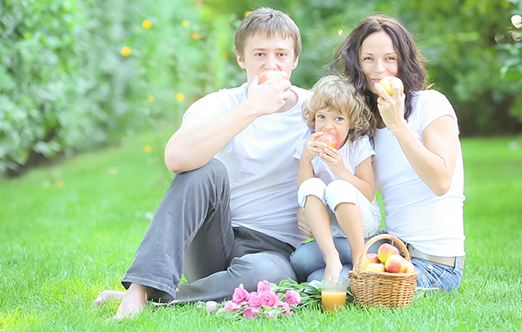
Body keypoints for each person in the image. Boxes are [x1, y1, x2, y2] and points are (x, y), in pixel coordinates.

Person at [93, 7, 312, 319]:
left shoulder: (314, 108)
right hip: (213, 239)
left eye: (281, 54)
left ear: (294, 60)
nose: (271, 64)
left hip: (271, 251)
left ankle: (162, 297)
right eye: (259, 54)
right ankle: (141, 287)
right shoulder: (221, 103)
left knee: (270, 275)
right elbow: (176, 157)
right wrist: (252, 108)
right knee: (205, 168)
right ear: (241, 58)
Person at [290, 14, 465, 291]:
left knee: (323, 282)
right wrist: (314, 212)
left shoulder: (431, 105)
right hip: (388, 246)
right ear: (356, 63)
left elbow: (441, 181)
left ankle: (346, 277)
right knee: (302, 260)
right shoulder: (367, 122)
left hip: (432, 264)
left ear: (403, 62)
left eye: (390, 59)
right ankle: (345, 272)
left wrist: (398, 125)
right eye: (368, 58)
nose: (378, 69)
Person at [294, 75, 381, 281]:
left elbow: (368, 193)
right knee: (312, 184)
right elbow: (303, 193)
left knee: (338, 187)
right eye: (322, 117)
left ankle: (359, 259)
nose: (328, 126)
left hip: (362, 218)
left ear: (352, 123)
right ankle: (331, 257)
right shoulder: (307, 145)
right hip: (330, 225)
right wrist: (306, 160)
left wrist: (341, 169)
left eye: (339, 119)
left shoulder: (358, 145)